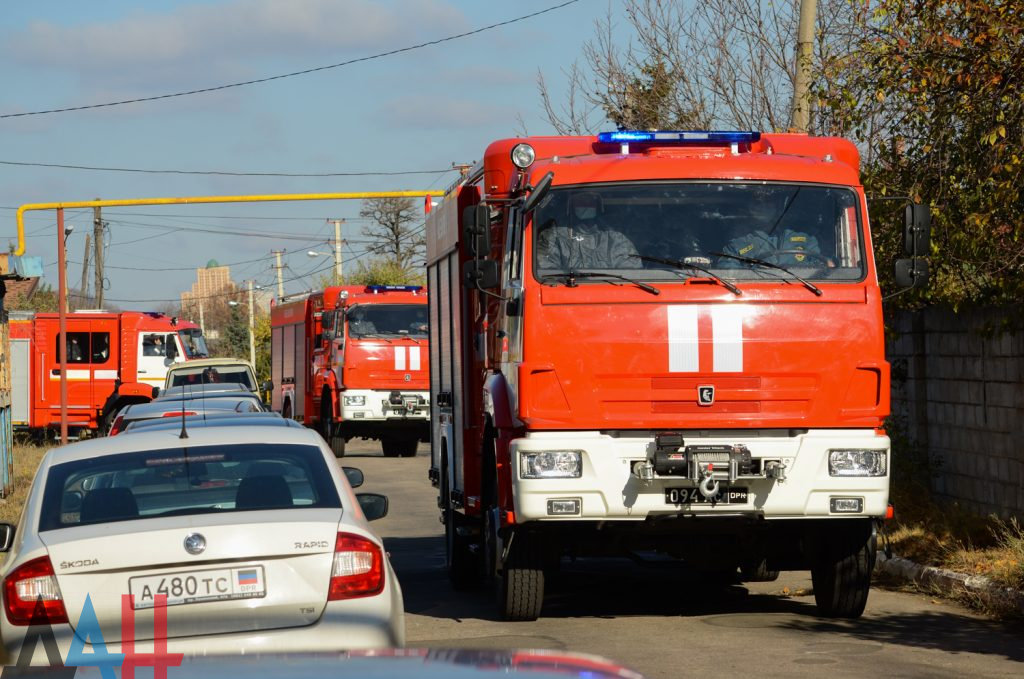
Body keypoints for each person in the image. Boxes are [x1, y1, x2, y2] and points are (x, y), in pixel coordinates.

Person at [536, 192, 639, 270]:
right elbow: (546, 272)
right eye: (580, 202)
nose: (586, 205)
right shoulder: (554, 237)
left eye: (590, 202)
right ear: (570, 207)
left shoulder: (615, 240)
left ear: (599, 207)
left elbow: (631, 272)